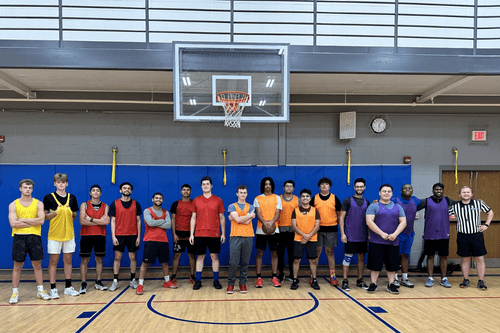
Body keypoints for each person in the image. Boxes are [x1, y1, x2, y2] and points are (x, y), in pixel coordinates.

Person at [9, 179, 51, 304]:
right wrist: (32, 221)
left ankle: (40, 291)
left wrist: (22, 220)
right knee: (17, 265)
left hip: (34, 236)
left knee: (37, 265)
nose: (27, 189)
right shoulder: (13, 204)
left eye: (30, 188)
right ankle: (15, 292)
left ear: (32, 189)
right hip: (19, 237)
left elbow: (41, 221)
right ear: (20, 189)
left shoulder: (38, 203)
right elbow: (13, 223)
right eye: (25, 187)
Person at [448, 186, 494, 290]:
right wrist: (452, 217)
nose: (466, 194)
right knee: (465, 259)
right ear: (460, 195)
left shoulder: (479, 203)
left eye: (468, 192)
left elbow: (490, 212)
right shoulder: (455, 206)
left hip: (476, 235)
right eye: (463, 192)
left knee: (480, 259)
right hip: (462, 235)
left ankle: (481, 281)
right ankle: (465, 280)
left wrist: (486, 225)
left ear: (472, 194)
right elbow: (445, 215)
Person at [43, 173, 80, 298]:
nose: (61, 184)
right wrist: (55, 213)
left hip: (69, 234)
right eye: (58, 182)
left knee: (68, 260)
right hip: (54, 234)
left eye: (63, 182)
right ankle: (53, 288)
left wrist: (70, 213)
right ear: (55, 184)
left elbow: (74, 216)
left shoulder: (72, 198)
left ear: (67, 184)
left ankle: (68, 287)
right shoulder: (49, 197)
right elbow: (44, 217)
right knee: (53, 261)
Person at [365, 184, 406, 294]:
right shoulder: (373, 206)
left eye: (388, 191)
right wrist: (382, 233)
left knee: (392, 265)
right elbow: (369, 222)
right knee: (375, 265)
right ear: (379, 193)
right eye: (384, 191)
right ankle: (373, 283)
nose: (386, 193)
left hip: (393, 241)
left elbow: (403, 222)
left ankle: (391, 284)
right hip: (376, 241)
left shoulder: (398, 207)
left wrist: (395, 234)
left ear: (392, 194)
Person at [136, 193, 177, 295]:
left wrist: (157, 221)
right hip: (150, 240)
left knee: (165, 263)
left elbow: (168, 225)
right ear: (153, 199)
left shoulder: (165, 212)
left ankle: (167, 282)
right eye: (156, 198)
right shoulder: (147, 211)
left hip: (163, 241)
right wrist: (162, 221)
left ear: (162, 200)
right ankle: (140, 285)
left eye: (160, 198)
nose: (158, 200)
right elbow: (150, 223)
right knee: (145, 263)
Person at [189, 177, 225, 290]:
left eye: (207, 184)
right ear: (201, 186)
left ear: (211, 185)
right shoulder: (196, 200)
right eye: (203, 184)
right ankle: (198, 281)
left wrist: (223, 233)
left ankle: (216, 280)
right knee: (200, 257)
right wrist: (191, 234)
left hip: (214, 233)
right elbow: (193, 218)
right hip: (199, 234)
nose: (205, 186)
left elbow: (222, 218)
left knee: (214, 256)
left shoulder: (218, 200)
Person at [416, 183, 455, 288]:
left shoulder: (447, 200)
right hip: (430, 234)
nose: (438, 191)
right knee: (430, 256)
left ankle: (443, 278)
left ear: (443, 190)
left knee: (443, 256)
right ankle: (430, 278)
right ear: (433, 191)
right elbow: (412, 208)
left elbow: (461, 204)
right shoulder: (426, 201)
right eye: (436, 189)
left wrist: (474, 203)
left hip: (444, 233)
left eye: (440, 189)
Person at [109, 182, 142, 291]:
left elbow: (138, 221)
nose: (126, 190)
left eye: (128, 188)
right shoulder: (114, 203)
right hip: (119, 235)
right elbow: (112, 221)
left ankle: (132, 279)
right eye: (124, 188)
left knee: (133, 257)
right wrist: (113, 236)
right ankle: (115, 281)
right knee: (117, 257)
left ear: (131, 191)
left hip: (132, 235)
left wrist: (138, 236)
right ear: (120, 190)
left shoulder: (136, 204)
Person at [338, 178, 370, 291]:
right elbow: (341, 217)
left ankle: (360, 280)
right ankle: (345, 281)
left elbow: (370, 220)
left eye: (361, 186)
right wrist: (342, 233)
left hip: (362, 236)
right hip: (350, 235)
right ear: (354, 187)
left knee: (361, 259)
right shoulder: (347, 201)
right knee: (347, 259)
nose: (359, 188)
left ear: (364, 188)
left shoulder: (367, 202)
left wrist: (369, 234)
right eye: (357, 186)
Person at [78, 184, 110, 294]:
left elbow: (106, 222)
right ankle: (83, 283)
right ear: (90, 193)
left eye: (97, 190)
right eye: (93, 190)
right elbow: (82, 221)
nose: (95, 192)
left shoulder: (105, 206)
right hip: (86, 235)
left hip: (100, 235)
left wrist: (90, 219)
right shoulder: (84, 205)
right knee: (85, 260)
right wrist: (98, 221)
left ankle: (98, 281)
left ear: (100, 193)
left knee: (99, 259)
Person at [311, 177, 342, 286]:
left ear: (329, 186)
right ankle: (313, 276)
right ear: (319, 186)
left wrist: (336, 222)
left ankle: (333, 276)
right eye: (322, 184)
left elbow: (340, 214)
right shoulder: (314, 198)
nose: (324, 186)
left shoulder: (334, 198)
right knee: (317, 252)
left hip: (331, 229)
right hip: (317, 230)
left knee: (330, 252)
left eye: (326, 184)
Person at [226, 185, 255, 294]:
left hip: (248, 236)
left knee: (245, 262)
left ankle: (243, 283)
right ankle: (230, 284)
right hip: (235, 236)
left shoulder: (251, 207)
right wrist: (248, 217)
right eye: (241, 192)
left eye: (244, 192)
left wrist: (236, 219)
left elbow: (240, 220)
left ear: (247, 194)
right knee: (233, 262)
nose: (242, 194)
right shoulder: (232, 206)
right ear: (237, 194)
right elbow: (239, 219)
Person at [254, 177, 282, 288]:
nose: (268, 186)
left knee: (274, 253)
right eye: (266, 184)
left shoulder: (277, 198)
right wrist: (265, 223)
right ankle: (258, 278)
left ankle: (274, 277)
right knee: (259, 253)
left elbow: (277, 213)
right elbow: (258, 213)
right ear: (263, 186)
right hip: (261, 229)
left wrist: (271, 222)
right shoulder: (257, 198)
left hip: (275, 229)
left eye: (269, 184)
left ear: (272, 186)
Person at [391, 184, 421, 288]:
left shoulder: (415, 200)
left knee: (405, 255)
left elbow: (429, 202)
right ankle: (394, 278)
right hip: (397, 233)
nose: (407, 190)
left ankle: (404, 278)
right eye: (405, 188)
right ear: (401, 190)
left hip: (409, 233)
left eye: (410, 188)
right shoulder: (395, 200)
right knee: (395, 256)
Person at [290, 189, 321, 290]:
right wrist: (304, 235)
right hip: (299, 239)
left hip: (311, 239)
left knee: (312, 260)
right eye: (303, 196)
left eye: (307, 196)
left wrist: (308, 237)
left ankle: (314, 280)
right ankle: (295, 280)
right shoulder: (295, 210)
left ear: (310, 198)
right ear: (300, 198)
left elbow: (317, 226)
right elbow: (294, 226)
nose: (305, 198)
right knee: (296, 260)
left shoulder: (315, 210)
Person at [170, 184, 196, 285]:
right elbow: (173, 220)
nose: (186, 191)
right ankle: (174, 275)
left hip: (191, 234)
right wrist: (174, 234)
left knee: (192, 255)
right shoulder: (175, 204)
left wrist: (193, 234)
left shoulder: (194, 203)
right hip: (179, 233)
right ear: (181, 192)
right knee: (177, 255)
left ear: (191, 192)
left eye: (188, 190)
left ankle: (192, 276)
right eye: (184, 190)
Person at [277, 180, 300, 283]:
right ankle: (280, 274)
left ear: (293, 188)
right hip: (280, 230)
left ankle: (292, 274)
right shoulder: (278, 199)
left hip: (293, 231)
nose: (289, 188)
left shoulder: (297, 200)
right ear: (284, 188)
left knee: (292, 254)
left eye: (291, 186)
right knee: (280, 254)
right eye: (287, 186)